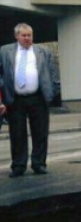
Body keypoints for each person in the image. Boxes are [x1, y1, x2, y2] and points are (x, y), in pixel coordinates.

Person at [0, 23, 59, 178]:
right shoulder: (5, 51)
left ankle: (39, 164)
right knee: (17, 134)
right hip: (15, 99)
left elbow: (53, 73)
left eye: (29, 35)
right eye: (24, 35)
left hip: (38, 98)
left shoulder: (43, 51)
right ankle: (18, 166)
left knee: (40, 133)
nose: (27, 38)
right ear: (16, 36)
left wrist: (52, 91)